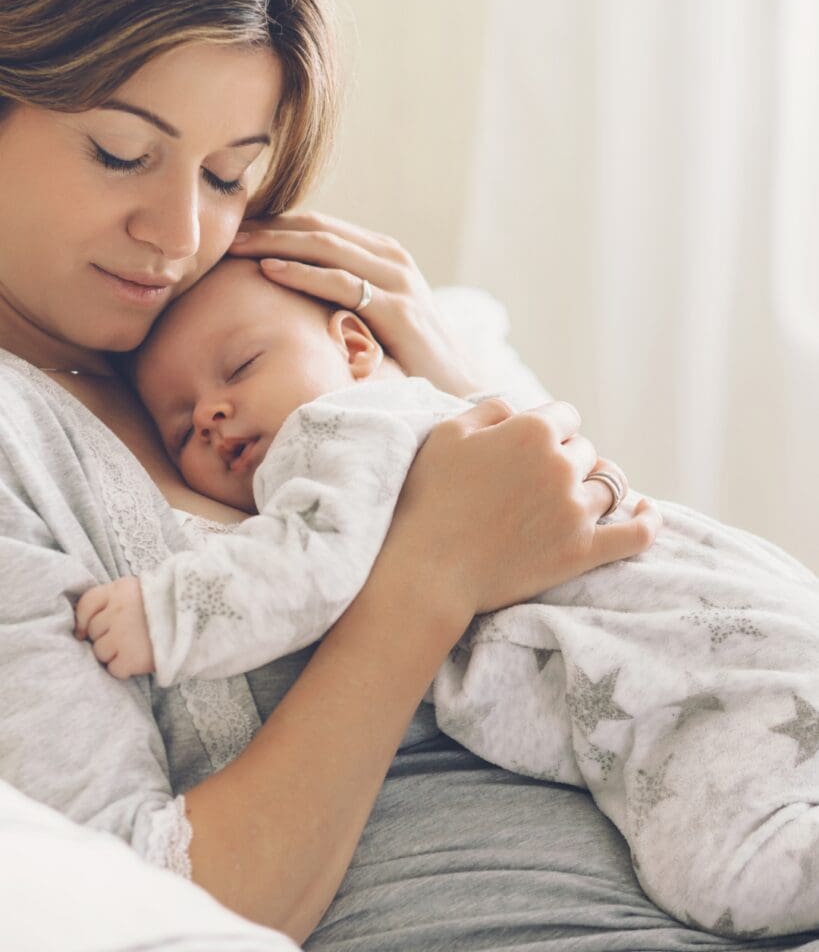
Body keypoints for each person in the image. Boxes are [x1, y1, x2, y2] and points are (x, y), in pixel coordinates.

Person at [1, 0, 815, 950]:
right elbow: (137, 905)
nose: (179, 236)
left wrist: (448, 382)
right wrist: (430, 570)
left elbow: (626, 595)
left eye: (227, 175)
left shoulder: (267, 313)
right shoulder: (22, 443)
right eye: (122, 154)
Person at [74, 257, 819, 938]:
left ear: (355, 347)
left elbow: (305, 567)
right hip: (722, 634)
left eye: (240, 367)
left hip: (679, 655)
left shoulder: (339, 431)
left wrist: (167, 614)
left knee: (728, 873)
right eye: (180, 427)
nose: (211, 413)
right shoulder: (437, 423)